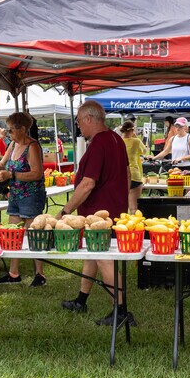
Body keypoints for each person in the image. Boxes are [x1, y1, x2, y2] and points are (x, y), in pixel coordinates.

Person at [59, 100, 132, 326]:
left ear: (89, 119)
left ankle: (121, 312)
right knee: (93, 256)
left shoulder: (99, 142)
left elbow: (88, 183)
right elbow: (128, 174)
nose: (79, 127)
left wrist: (66, 210)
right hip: (111, 210)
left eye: (80, 122)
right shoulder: (115, 138)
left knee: (104, 260)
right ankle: (81, 301)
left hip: (100, 214)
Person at [0, 112, 47, 288]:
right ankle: (14, 274)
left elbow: (37, 173)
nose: (8, 133)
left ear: (22, 129)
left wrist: (11, 174)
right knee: (13, 234)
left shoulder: (33, 146)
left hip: (31, 196)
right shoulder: (13, 144)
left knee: (34, 234)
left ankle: (40, 274)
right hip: (14, 195)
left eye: (11, 130)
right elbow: (3, 163)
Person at [120, 120, 147, 214]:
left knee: (120, 208)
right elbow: (144, 151)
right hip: (134, 175)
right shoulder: (136, 141)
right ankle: (134, 227)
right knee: (134, 208)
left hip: (119, 175)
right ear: (132, 130)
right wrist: (136, 138)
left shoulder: (117, 141)